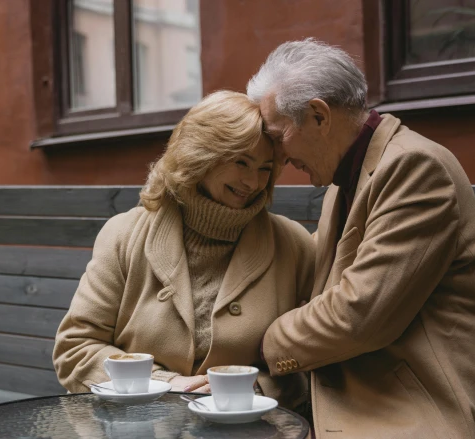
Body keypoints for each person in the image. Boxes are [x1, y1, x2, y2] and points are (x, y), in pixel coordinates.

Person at [194, 39, 475, 439]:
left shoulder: (415, 167)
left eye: (277, 135)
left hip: (426, 428)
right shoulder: (344, 183)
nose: (278, 159)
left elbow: (359, 314)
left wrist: (266, 345)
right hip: (356, 416)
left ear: (319, 116)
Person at [53, 90, 313, 410]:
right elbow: (75, 349)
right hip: (131, 432)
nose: (253, 181)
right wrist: (167, 385)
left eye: (265, 168)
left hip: (253, 435)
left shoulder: (294, 244)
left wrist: (254, 388)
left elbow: (317, 356)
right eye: (241, 161)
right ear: (201, 156)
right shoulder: (123, 234)